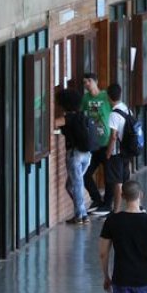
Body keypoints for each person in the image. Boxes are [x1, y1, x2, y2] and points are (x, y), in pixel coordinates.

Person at [57, 87, 92, 225]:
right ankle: (82, 212)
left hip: (75, 155)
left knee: (76, 185)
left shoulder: (69, 118)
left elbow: (52, 123)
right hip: (87, 155)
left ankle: (80, 216)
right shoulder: (82, 116)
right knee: (71, 186)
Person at [79, 73, 112, 216]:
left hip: (107, 142)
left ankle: (107, 204)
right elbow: (81, 115)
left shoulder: (105, 96)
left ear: (96, 81)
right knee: (85, 173)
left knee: (109, 176)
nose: (87, 84)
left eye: (89, 81)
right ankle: (97, 200)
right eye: (84, 82)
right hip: (93, 144)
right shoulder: (85, 99)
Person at [101, 83, 132, 214]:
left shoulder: (114, 114)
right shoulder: (126, 108)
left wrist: (109, 152)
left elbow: (113, 136)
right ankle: (132, 206)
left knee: (117, 182)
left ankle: (116, 210)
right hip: (127, 150)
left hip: (117, 152)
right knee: (126, 180)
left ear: (108, 97)